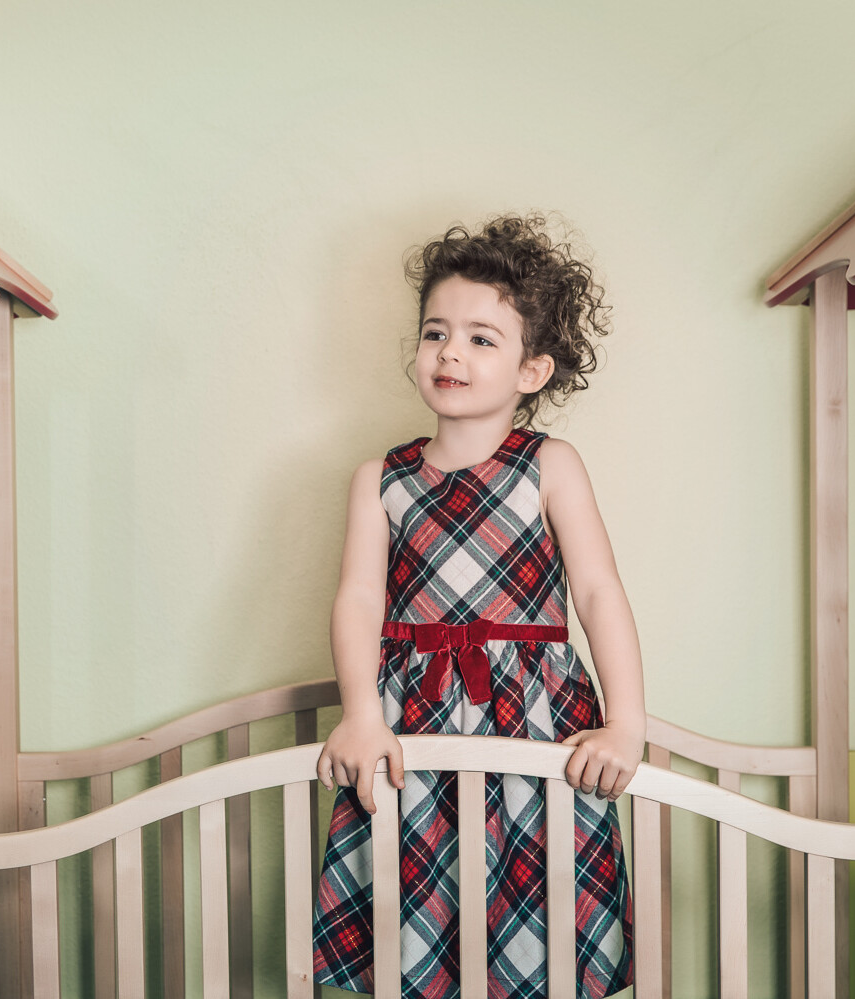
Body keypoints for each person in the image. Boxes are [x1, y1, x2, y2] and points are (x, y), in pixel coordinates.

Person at [312, 215, 639, 999]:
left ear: (533, 370)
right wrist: (361, 712)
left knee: (536, 921)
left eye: (481, 338)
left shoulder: (548, 465)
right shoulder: (381, 479)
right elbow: (359, 598)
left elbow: (597, 591)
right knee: (415, 913)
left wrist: (626, 720)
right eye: (435, 332)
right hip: (414, 719)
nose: (450, 352)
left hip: (531, 719)